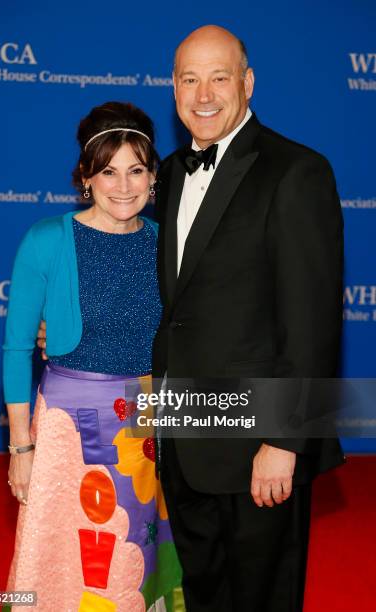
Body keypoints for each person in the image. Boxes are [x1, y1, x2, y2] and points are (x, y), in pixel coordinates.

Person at [151, 25, 345, 611]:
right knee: (204, 595)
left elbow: (311, 321)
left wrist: (284, 440)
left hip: (257, 445)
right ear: (174, 88)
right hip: (180, 435)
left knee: (263, 598)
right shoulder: (168, 174)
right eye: (189, 79)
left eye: (219, 77)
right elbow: (171, 306)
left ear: (247, 82)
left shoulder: (296, 172)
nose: (203, 94)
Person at [3, 101, 181, 611]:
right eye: (108, 171)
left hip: (149, 425)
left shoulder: (164, 243)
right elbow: (18, 349)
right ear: (86, 177)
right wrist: (21, 449)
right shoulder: (46, 241)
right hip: (70, 433)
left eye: (136, 170)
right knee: (72, 560)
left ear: (153, 178)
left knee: (136, 559)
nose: (123, 186)